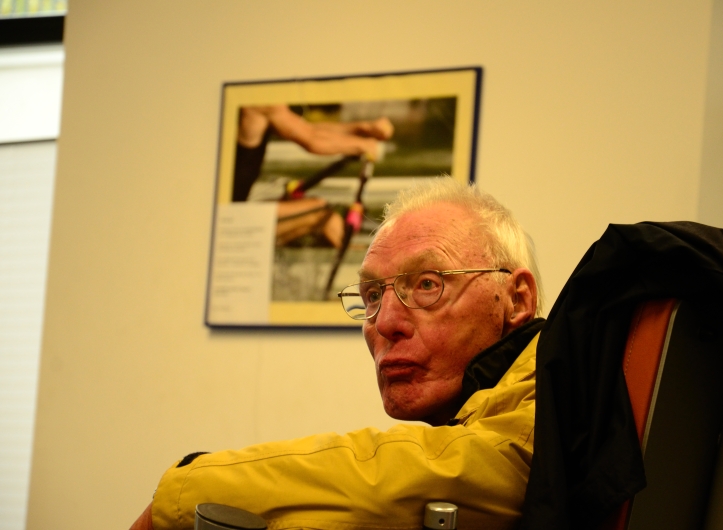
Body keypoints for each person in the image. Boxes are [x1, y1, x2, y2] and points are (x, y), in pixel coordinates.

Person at [131, 177, 546, 530]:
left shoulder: (555, 395)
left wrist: (182, 495)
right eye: (372, 295)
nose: (385, 322)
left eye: (427, 284)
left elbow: (419, 473)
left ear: (517, 299)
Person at [233, 105, 394, 249]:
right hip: (231, 217)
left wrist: (363, 129)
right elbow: (312, 139)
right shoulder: (261, 102)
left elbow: (308, 128)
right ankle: (360, 262)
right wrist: (361, 145)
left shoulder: (256, 100)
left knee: (316, 210)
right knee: (322, 213)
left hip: (237, 209)